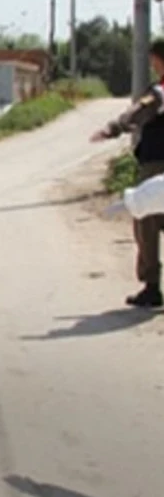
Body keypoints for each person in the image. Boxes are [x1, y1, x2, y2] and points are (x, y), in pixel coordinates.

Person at [91, 38, 164, 309]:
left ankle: (152, 285)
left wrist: (112, 128)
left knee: (146, 220)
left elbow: (139, 112)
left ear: (158, 60)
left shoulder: (159, 92)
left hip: (157, 164)